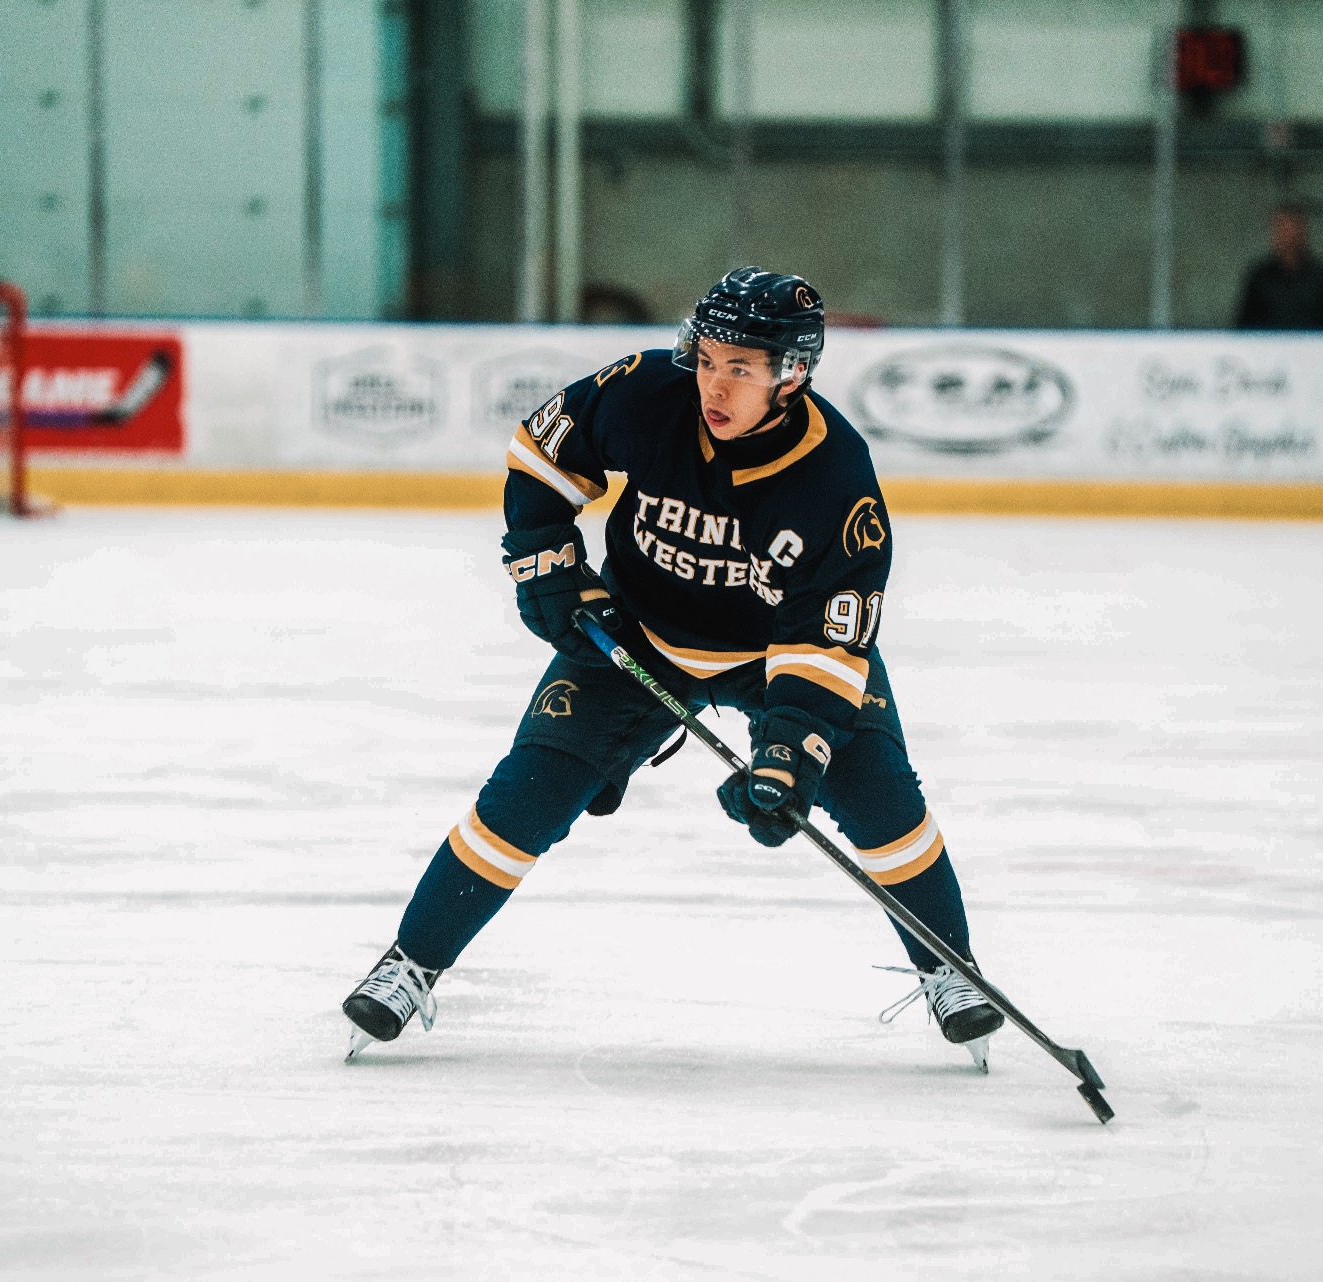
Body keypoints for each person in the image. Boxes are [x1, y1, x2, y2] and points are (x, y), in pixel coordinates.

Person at [341, 266, 1007, 1068]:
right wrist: (547, 558)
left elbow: (826, 640)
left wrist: (792, 749)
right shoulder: (650, 391)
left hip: (774, 654)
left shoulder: (835, 477)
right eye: (708, 358)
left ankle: (950, 968)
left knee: (883, 802)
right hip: (634, 635)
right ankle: (410, 962)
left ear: (792, 374)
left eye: (740, 369)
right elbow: (543, 452)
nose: (713, 385)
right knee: (525, 795)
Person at [1234, 206, 1323, 330]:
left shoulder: (1321, 277)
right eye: (1282, 230)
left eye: (1293, 230)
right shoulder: (1259, 277)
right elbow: (1243, 326)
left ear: (1303, 233)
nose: (1288, 238)